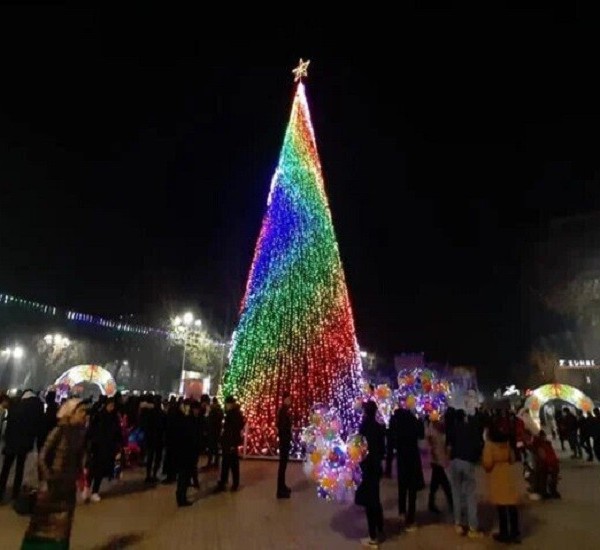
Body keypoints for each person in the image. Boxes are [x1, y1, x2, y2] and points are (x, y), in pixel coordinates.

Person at [20, 398, 89, 549]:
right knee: (41, 526)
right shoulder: (59, 431)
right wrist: (48, 478)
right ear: (71, 414)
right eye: (81, 411)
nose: (85, 415)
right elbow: (42, 456)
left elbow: (79, 459)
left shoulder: (80, 434)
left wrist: (80, 478)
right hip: (52, 488)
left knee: (62, 528)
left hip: (67, 488)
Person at [0, 389, 44, 502]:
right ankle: (15, 494)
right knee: (20, 468)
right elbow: (37, 427)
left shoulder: (16, 406)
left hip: (12, 441)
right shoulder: (38, 406)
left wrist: (7, 440)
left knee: (6, 468)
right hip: (25, 443)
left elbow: (9, 425)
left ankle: (1, 492)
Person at [482, 420, 522, 544]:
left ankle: (504, 533)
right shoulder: (506, 443)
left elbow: (487, 463)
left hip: (497, 475)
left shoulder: (490, 445)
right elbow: (512, 459)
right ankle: (515, 532)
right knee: (511, 505)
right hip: (507, 474)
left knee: (501, 506)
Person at [447, 408, 484, 538]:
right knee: (470, 495)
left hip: (455, 461)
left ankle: (458, 523)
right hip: (467, 462)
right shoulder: (470, 428)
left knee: (456, 494)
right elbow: (477, 445)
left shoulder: (452, 429)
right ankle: (472, 527)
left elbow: (449, 446)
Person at [355, 400, 386, 548]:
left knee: (369, 502)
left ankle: (373, 537)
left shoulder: (364, 428)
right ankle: (380, 527)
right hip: (376, 467)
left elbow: (359, 449)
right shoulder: (379, 428)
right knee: (375, 497)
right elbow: (383, 450)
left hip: (367, 467)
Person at [389, 405, 424, 532]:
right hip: (413, 457)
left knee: (402, 486)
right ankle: (411, 518)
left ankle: (402, 512)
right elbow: (421, 435)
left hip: (401, 457)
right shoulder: (413, 420)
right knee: (412, 489)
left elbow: (391, 438)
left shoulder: (397, 423)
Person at [86, 397, 122, 502]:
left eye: (113, 405)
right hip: (97, 447)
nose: (111, 407)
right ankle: (87, 488)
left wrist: (118, 446)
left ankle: (95, 491)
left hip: (107, 448)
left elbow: (117, 433)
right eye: (110, 405)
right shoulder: (99, 416)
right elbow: (91, 431)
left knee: (99, 471)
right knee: (92, 470)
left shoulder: (114, 417)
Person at [214, 396, 245, 493]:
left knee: (231, 463)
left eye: (227, 404)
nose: (226, 405)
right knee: (227, 463)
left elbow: (233, 429)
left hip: (230, 442)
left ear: (230, 404)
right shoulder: (233, 413)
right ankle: (225, 482)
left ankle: (232, 483)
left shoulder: (233, 414)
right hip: (228, 442)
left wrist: (231, 443)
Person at [426, 414, 453, 514]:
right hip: (437, 461)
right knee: (445, 484)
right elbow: (431, 446)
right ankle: (452, 504)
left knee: (435, 484)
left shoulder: (438, 430)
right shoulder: (431, 431)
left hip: (438, 460)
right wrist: (435, 457)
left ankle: (431, 503)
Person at [532, 429, 560, 498]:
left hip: (549, 463)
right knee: (547, 478)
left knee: (545, 478)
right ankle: (550, 491)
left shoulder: (542, 444)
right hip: (548, 463)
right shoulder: (542, 444)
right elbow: (543, 455)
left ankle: (546, 491)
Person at [276, 392, 292, 499]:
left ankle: (283, 486)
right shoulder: (283, 411)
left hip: (285, 440)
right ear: (284, 399)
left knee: (284, 466)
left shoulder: (285, 410)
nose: (290, 401)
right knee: (282, 466)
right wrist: (285, 436)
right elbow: (281, 426)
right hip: (284, 441)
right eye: (288, 399)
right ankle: (280, 490)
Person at [205, 397, 224, 470]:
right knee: (214, 448)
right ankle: (215, 462)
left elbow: (210, 419)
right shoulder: (218, 410)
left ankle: (212, 462)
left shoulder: (214, 410)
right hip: (215, 431)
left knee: (212, 448)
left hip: (213, 431)